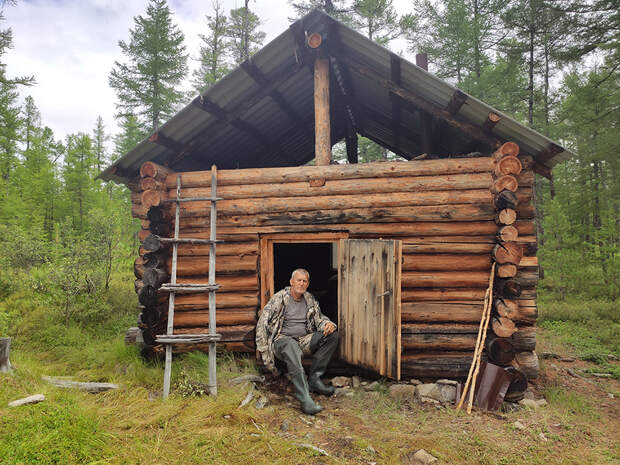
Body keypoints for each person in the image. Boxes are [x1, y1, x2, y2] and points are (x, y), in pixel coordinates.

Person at [256, 268, 339, 415]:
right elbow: (262, 323)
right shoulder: (279, 299)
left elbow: (318, 319)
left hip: (303, 339)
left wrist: (327, 324)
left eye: (304, 281)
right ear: (291, 282)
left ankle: (314, 379)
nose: (301, 283)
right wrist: (264, 351)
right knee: (290, 345)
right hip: (282, 340)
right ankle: (305, 399)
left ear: (307, 284)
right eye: (298, 280)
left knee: (332, 336)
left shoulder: (309, 299)